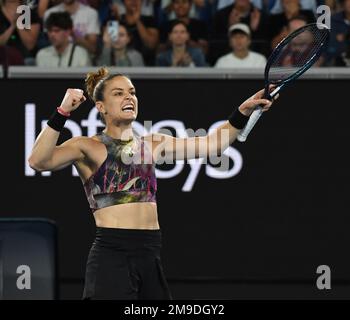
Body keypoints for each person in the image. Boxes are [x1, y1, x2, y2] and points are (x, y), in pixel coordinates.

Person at [28, 67, 274, 299]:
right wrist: (62, 112)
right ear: (101, 106)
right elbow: (38, 161)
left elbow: (212, 145)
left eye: (132, 92)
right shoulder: (86, 146)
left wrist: (241, 112)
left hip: (150, 253)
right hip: (112, 254)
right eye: (119, 93)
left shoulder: (153, 143)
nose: (129, 97)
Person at [0, 0, 40, 65]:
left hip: (24, 57)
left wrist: (19, 23)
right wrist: (12, 26)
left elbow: (30, 45)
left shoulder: (27, 13)